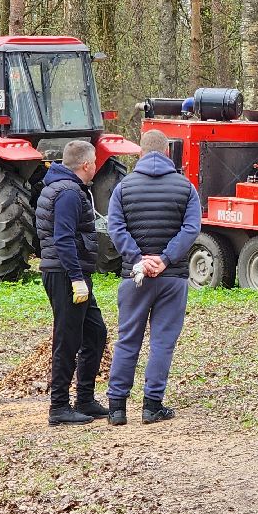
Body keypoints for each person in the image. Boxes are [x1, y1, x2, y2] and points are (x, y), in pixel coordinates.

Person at [104, 129, 202, 426]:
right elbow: (191, 228)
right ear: (168, 153)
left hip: (134, 278)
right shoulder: (186, 188)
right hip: (172, 278)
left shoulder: (124, 187)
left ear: (141, 154)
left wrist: (138, 259)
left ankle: (117, 408)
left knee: (127, 339)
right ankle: (151, 405)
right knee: (162, 342)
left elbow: (115, 227)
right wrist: (165, 258)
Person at [38, 139, 108, 426]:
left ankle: (85, 399)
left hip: (72, 272)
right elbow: (63, 238)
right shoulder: (68, 193)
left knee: (95, 333)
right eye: (93, 163)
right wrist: (77, 278)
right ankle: (58, 407)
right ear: (85, 164)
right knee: (67, 340)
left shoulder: (67, 188)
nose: (95, 167)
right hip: (67, 273)